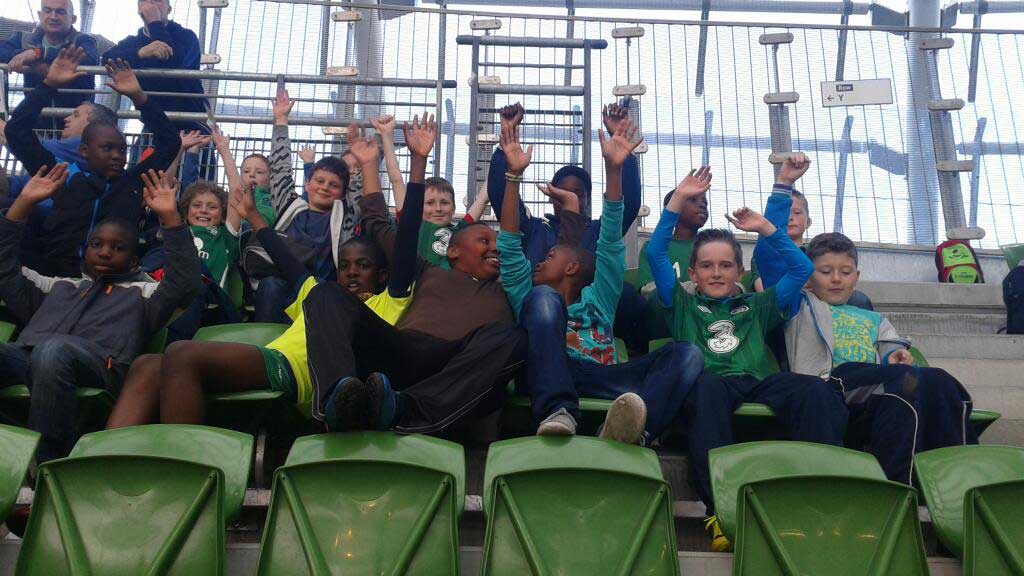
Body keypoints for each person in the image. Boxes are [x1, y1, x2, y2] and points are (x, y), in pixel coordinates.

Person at [105, 130, 418, 425]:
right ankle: (106, 458)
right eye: (345, 265)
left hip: (303, 375)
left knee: (181, 354)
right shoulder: (320, 292)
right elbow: (282, 255)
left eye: (362, 265)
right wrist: (252, 214)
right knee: (148, 364)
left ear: (382, 275)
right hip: (273, 358)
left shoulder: (390, 301)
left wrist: (400, 163)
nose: (351, 272)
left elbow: (406, 240)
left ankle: (183, 459)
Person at [648, 167, 848, 551]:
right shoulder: (681, 303)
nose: (716, 273)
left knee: (815, 390)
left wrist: (766, 229)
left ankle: (823, 505)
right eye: (706, 266)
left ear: (739, 270)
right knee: (705, 388)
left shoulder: (757, 305)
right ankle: (720, 512)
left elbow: (802, 268)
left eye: (726, 265)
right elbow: (655, 252)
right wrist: (678, 200)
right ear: (693, 272)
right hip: (710, 386)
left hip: (756, 383)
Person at [302, 115, 524, 434]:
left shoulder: (509, 288)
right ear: (453, 250)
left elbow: (512, 237)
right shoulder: (426, 271)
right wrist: (389, 164)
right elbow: (381, 224)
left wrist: (513, 176)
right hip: (402, 352)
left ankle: (406, 410)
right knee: (324, 294)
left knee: (512, 336)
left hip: (456, 369)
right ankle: (339, 401)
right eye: (484, 240)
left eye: (497, 242)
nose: (495, 248)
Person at [498, 113, 703, 444]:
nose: (538, 263)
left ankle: (631, 430)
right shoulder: (529, 293)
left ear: (572, 267)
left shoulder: (600, 296)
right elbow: (509, 242)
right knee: (543, 299)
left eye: (549, 257)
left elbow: (609, 237)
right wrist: (512, 176)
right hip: (547, 372)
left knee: (687, 354)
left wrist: (614, 169)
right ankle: (557, 410)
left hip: (601, 378)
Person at [0, 165, 200, 462]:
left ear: (133, 261)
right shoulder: (57, 287)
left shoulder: (144, 294)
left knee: (53, 351)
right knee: (42, 351)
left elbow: (184, 284)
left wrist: (171, 219)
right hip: (30, 356)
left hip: (101, 366)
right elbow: (4, 269)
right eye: (97, 245)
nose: (105, 252)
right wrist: (22, 205)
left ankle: (47, 466)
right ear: (86, 251)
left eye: (117, 248)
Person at [756, 227, 978, 485]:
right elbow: (770, 264)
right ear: (806, 278)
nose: (836, 279)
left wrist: (896, 355)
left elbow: (891, 348)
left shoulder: (874, 318)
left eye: (845, 272)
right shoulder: (798, 308)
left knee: (939, 381)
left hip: (873, 388)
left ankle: (956, 483)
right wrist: (767, 224)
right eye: (825, 272)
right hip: (831, 383)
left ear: (857, 276)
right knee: (900, 382)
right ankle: (896, 486)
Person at [4, 48, 181, 277]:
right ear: (85, 150)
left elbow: (170, 142)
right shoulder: (63, 175)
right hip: (58, 278)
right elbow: (16, 131)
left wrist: (139, 97)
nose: (117, 155)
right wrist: (48, 85)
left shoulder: (133, 183)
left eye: (122, 150)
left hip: (114, 283)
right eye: (107, 148)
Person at [245, 87, 350, 323]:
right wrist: (281, 121)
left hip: (320, 292)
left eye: (333, 185)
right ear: (307, 183)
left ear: (342, 193)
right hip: (283, 287)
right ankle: (266, 343)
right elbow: (280, 169)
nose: (325, 187)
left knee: (322, 291)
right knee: (270, 285)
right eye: (319, 181)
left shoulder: (343, 217)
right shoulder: (290, 206)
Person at [751, 153, 874, 310]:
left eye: (797, 213)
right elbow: (771, 288)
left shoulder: (869, 316)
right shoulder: (796, 311)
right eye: (825, 271)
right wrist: (784, 183)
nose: (836, 279)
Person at [101, 0, 208, 134]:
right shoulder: (132, 42)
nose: (150, 3)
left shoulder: (186, 36)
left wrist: (154, 23)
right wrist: (140, 53)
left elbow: (171, 61)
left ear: (169, 9)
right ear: (138, 9)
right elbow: (107, 59)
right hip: (153, 120)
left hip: (190, 120)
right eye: (144, 0)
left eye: (157, 0)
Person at [0, 0, 98, 131]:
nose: (53, 16)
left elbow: (89, 59)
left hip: (74, 127)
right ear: (40, 15)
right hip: (35, 124)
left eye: (60, 12)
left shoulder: (83, 40)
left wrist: (39, 53)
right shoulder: (24, 39)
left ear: (73, 19)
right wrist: (26, 56)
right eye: (47, 10)